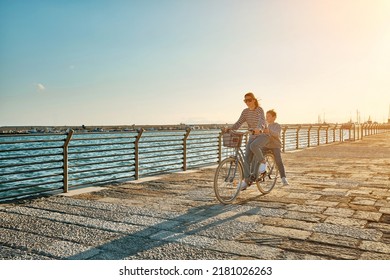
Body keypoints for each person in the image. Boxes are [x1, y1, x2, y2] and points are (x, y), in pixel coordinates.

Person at [227, 92, 267, 190]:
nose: (247, 102)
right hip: (252, 136)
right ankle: (247, 180)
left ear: (254, 100)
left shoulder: (259, 110)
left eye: (249, 100)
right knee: (246, 159)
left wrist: (259, 129)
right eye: (245, 101)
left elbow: (262, 121)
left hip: (263, 135)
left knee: (253, 146)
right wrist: (230, 129)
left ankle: (263, 161)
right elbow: (239, 122)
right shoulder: (245, 112)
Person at [263, 109, 289, 186]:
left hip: (275, 145)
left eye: (269, 116)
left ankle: (283, 178)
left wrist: (268, 130)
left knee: (278, 161)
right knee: (258, 156)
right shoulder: (264, 125)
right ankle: (262, 171)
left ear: (274, 117)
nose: (267, 118)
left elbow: (277, 134)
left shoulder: (277, 125)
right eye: (266, 116)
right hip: (266, 145)